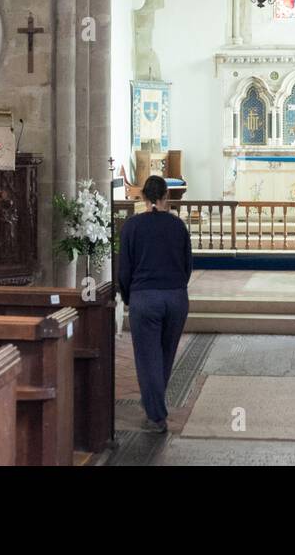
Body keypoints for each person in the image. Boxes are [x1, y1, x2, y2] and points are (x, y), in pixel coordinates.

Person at [118, 175, 192, 432]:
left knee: (148, 357)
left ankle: (156, 414)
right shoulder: (177, 226)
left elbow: (124, 269)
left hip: (145, 298)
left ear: (143, 197)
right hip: (175, 296)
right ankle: (153, 401)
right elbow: (187, 266)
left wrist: (129, 297)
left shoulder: (132, 226)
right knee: (166, 354)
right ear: (166, 197)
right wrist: (177, 289)